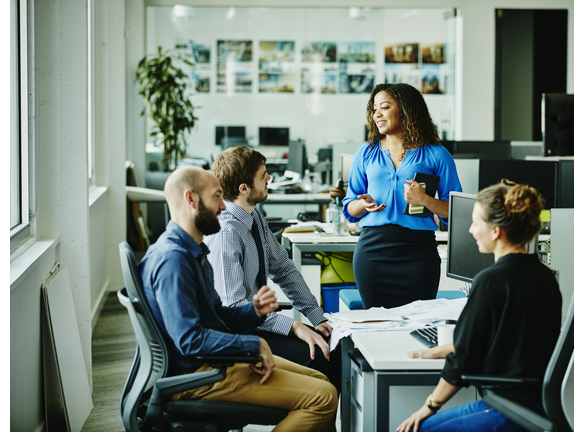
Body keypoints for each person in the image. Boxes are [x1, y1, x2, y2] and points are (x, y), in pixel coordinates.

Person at [139, 166, 337, 432]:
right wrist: (253, 346)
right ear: (191, 199)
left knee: (323, 380)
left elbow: (218, 315)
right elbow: (190, 340)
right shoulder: (172, 260)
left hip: (215, 362)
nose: (223, 206)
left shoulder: (193, 249)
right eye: (217, 197)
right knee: (323, 398)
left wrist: (253, 311)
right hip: (199, 375)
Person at [396, 180, 562, 432]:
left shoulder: (492, 280)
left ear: (496, 231)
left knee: (420, 428)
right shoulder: (544, 275)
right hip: (545, 402)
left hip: (509, 406)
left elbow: (463, 361)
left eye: (476, 223)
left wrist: (427, 407)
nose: (471, 230)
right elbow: (512, 337)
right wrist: (444, 348)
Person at [205, 146, 340, 392]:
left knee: (334, 345)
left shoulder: (254, 218)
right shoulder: (225, 233)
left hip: (258, 324)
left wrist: (316, 317)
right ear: (243, 189)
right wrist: (294, 326)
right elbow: (234, 308)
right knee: (319, 355)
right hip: (237, 334)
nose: (270, 179)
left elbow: (284, 269)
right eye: (263, 176)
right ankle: (308, 412)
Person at [343, 82, 463, 309]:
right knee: (376, 325)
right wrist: (363, 204)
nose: (377, 114)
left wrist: (425, 200)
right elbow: (349, 208)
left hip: (418, 254)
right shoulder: (366, 152)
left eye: (384, 107)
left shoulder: (436, 153)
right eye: (374, 108)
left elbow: (456, 212)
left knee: (419, 325)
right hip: (373, 252)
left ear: (406, 110)